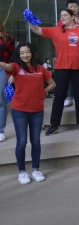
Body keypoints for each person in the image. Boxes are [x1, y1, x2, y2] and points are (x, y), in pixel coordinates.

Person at [29, 9, 79, 135]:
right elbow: (37, 30)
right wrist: (31, 21)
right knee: (59, 96)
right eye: (61, 15)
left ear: (73, 17)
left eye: (65, 15)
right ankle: (54, 125)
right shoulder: (56, 30)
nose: (62, 17)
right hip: (62, 67)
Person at [0, 43, 55, 184]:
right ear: (18, 55)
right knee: (22, 142)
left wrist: (43, 91)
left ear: (32, 53)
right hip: (20, 111)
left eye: (28, 52)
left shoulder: (40, 68)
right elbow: (6, 66)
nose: (25, 55)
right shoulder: (16, 67)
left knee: (36, 141)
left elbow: (52, 83)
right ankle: (22, 172)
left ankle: (36, 170)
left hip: (37, 111)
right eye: (22, 52)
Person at [57, 0, 79, 108]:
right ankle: (69, 98)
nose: (73, 8)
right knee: (67, 79)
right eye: (70, 6)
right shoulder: (61, 21)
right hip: (66, 56)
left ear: (78, 8)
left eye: (75, 6)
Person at [0, 18, 15, 142]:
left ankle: (0, 130)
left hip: (3, 70)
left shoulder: (8, 38)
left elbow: (14, 57)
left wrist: (13, 74)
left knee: (1, 99)